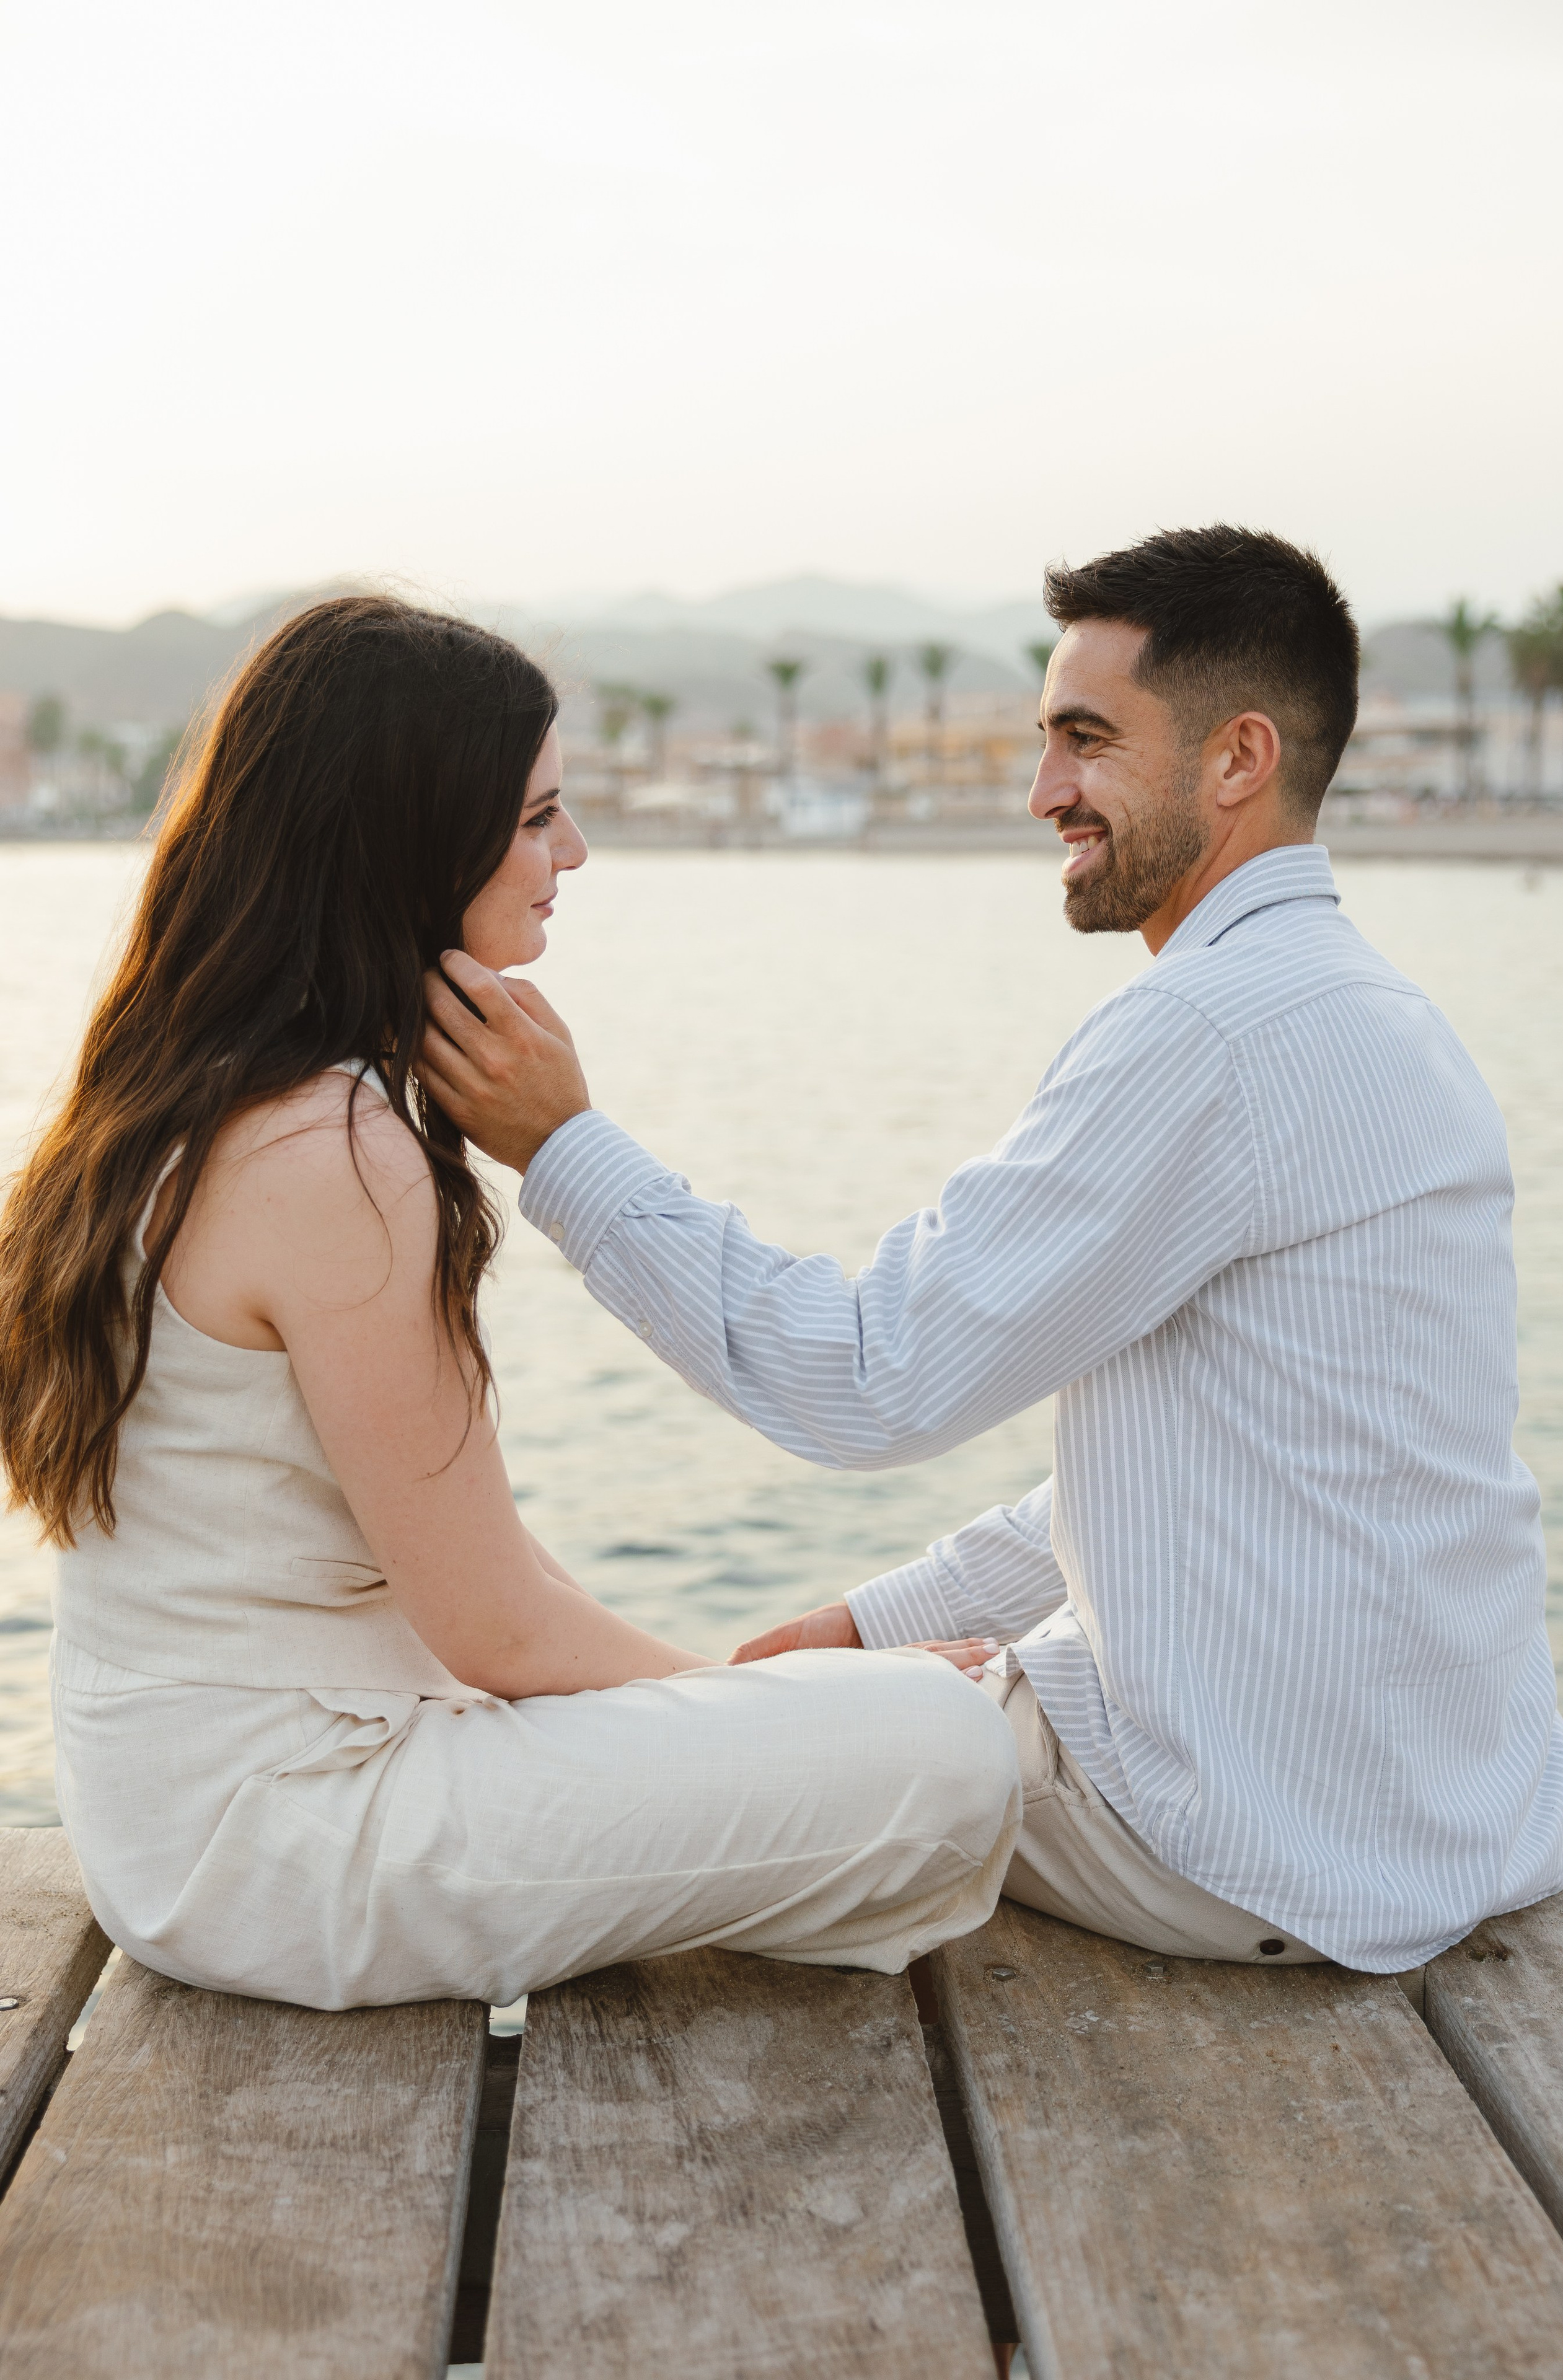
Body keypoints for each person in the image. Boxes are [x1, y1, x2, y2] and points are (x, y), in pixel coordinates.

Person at [419, 526, 1563, 1976]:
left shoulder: (1201, 1033)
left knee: (668, 1769)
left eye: (1083, 743)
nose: (1041, 794)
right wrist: (865, 1621)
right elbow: (1221, 1456)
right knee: (855, 1682)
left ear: (1237, 760)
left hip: (1251, 1844)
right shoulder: (1380, 1018)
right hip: (1456, 1818)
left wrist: (564, 1148)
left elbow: (862, 1379)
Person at [0, 594, 1020, 2012]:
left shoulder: (183, 1098)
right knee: (953, 1746)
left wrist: (753, 1708)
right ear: (414, 839)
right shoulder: (330, 1149)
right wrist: (780, 1710)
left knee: (891, 1722)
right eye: (537, 817)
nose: (573, 852)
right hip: (287, 1849)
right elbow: (499, 1633)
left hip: (197, 1830)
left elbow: (496, 1590)